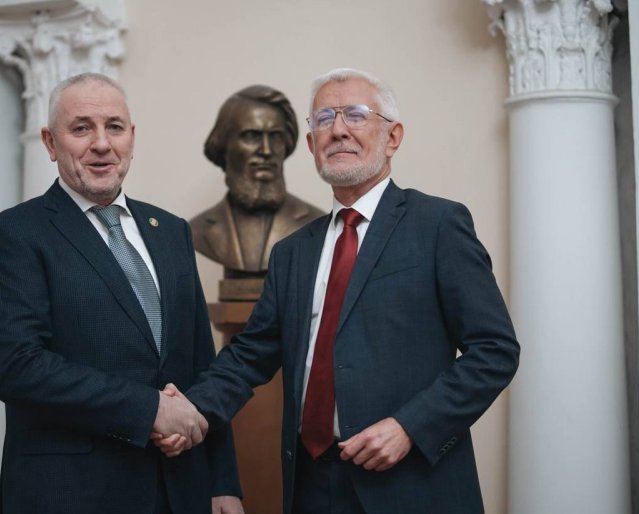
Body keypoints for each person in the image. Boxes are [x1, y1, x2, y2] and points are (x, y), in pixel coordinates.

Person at [157, 68, 520, 513]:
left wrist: (410, 427)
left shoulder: (438, 225)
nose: (339, 130)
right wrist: (189, 408)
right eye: (325, 119)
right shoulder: (292, 252)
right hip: (311, 483)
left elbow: (495, 350)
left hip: (411, 484)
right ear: (312, 145)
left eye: (356, 114)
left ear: (392, 137)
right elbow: (250, 355)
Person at [0, 72, 243, 514]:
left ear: (131, 137)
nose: (102, 143)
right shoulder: (15, 234)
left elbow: (201, 361)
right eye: (82, 128)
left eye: (114, 127)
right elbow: (17, 366)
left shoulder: (171, 231)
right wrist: (150, 409)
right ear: (50, 142)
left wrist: (222, 482)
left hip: (180, 491)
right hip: (72, 494)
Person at [190, 85, 324, 276]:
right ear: (223, 143)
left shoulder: (316, 224)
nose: (266, 150)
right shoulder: (197, 229)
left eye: (275, 137)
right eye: (251, 136)